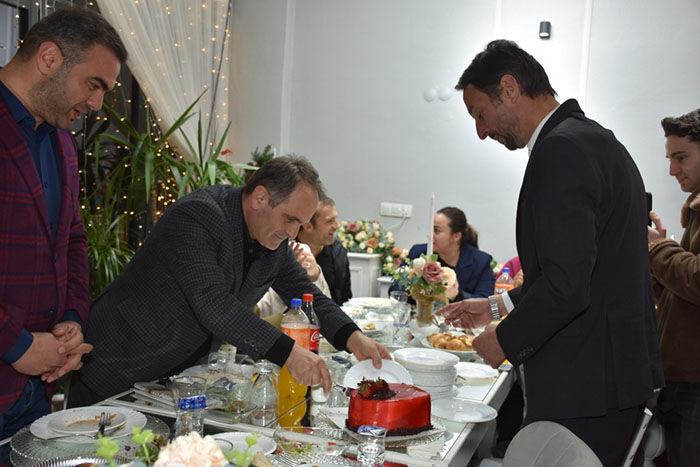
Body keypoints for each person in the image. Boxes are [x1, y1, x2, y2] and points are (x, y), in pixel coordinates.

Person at [439, 40, 662, 466]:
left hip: (588, 383)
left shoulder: (562, 150)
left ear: (509, 88)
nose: (481, 131)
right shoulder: (591, 139)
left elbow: (567, 286)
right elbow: (585, 269)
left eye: (479, 114)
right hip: (607, 378)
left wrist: (504, 340)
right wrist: (496, 305)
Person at [69, 156, 389, 406]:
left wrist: (353, 337)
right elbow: (213, 303)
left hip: (171, 381)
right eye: (290, 219)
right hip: (118, 364)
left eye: (301, 224)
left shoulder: (272, 240)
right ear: (260, 197)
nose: (293, 233)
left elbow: (309, 294)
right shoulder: (199, 216)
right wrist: (289, 353)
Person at [0, 7, 126, 448]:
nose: (96, 104)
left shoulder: (62, 142)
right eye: (94, 85)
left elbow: (71, 239)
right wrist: (16, 345)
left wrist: (72, 320)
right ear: (49, 58)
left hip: (34, 394)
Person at [647, 108, 700, 466]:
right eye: (670, 159)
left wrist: (659, 248)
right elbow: (679, 297)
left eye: (681, 157)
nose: (672, 170)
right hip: (683, 375)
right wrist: (657, 258)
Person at [408, 206, 494, 301]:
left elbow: (486, 302)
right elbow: (398, 290)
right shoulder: (418, 253)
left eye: (436, 230)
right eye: (430, 229)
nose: (430, 235)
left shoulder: (480, 262)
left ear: (456, 236)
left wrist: (458, 295)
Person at [298, 197, 352, 305]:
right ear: (308, 226)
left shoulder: (338, 252)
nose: (337, 226)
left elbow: (344, 298)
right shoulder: (287, 251)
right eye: (330, 221)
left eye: (335, 219)